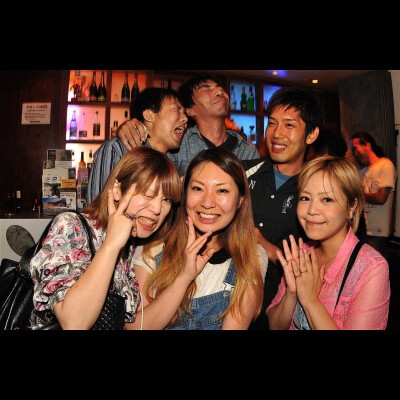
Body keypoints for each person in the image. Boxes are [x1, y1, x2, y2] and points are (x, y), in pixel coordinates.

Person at [29, 147, 182, 330]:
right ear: (117, 191)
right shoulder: (71, 225)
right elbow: (74, 323)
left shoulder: (131, 243)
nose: (157, 209)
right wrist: (111, 245)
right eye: (148, 195)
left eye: (166, 200)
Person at [132, 148, 267, 330]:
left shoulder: (251, 256)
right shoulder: (152, 250)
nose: (207, 203)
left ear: (240, 200)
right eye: (197, 188)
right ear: (184, 194)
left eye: (222, 191)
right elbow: (137, 327)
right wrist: (184, 277)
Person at [268, 156, 390, 330]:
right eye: (305, 198)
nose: (312, 210)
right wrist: (291, 292)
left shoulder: (371, 269)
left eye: (326, 200)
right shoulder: (302, 253)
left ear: (351, 207)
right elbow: (275, 325)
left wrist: (310, 301)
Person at [242, 87, 322, 329]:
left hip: (276, 310)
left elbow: (319, 266)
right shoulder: (242, 172)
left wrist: (267, 247)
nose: (277, 134)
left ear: (311, 134)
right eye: (272, 123)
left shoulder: (317, 190)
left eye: (289, 125)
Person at [117, 74, 260, 176]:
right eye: (206, 88)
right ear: (190, 111)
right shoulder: (178, 145)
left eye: (220, 87)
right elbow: (148, 166)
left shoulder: (248, 151)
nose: (219, 91)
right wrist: (131, 127)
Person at [86, 87, 188, 204]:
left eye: (184, 113)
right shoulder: (118, 149)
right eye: (176, 109)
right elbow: (97, 206)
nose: (185, 118)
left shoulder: (173, 160)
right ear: (149, 115)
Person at [351, 131, 397, 257]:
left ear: (367, 145)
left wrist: (359, 194)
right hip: (363, 230)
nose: (354, 154)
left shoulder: (385, 165)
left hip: (378, 232)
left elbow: (381, 198)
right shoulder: (363, 171)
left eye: (355, 149)